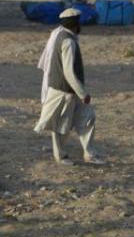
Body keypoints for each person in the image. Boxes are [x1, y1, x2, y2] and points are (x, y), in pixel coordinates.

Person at [34, 8, 104, 165]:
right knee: (61, 125)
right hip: (63, 91)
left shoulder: (61, 34)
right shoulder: (67, 41)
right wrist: (82, 93)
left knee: (87, 118)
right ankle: (60, 156)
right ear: (75, 24)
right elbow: (69, 72)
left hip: (72, 91)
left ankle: (90, 153)